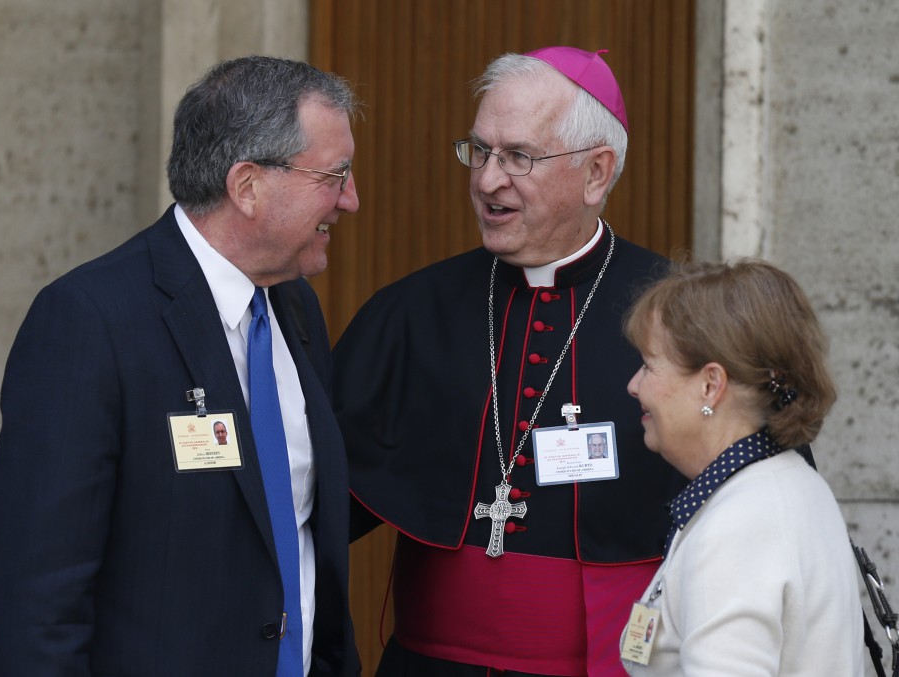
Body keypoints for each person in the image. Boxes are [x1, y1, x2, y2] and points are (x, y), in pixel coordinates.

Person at [0, 56, 361, 676]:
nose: (351, 199)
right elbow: (41, 604)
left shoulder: (295, 307)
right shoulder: (89, 321)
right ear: (248, 186)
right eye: (335, 175)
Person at [333, 46, 685, 676]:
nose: (488, 179)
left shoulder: (684, 318)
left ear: (596, 173)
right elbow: (313, 506)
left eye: (518, 157)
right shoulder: (410, 313)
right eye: (480, 151)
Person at [620, 259, 864, 675]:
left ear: (711, 385)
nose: (634, 385)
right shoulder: (786, 483)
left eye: (649, 365)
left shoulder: (739, 526)